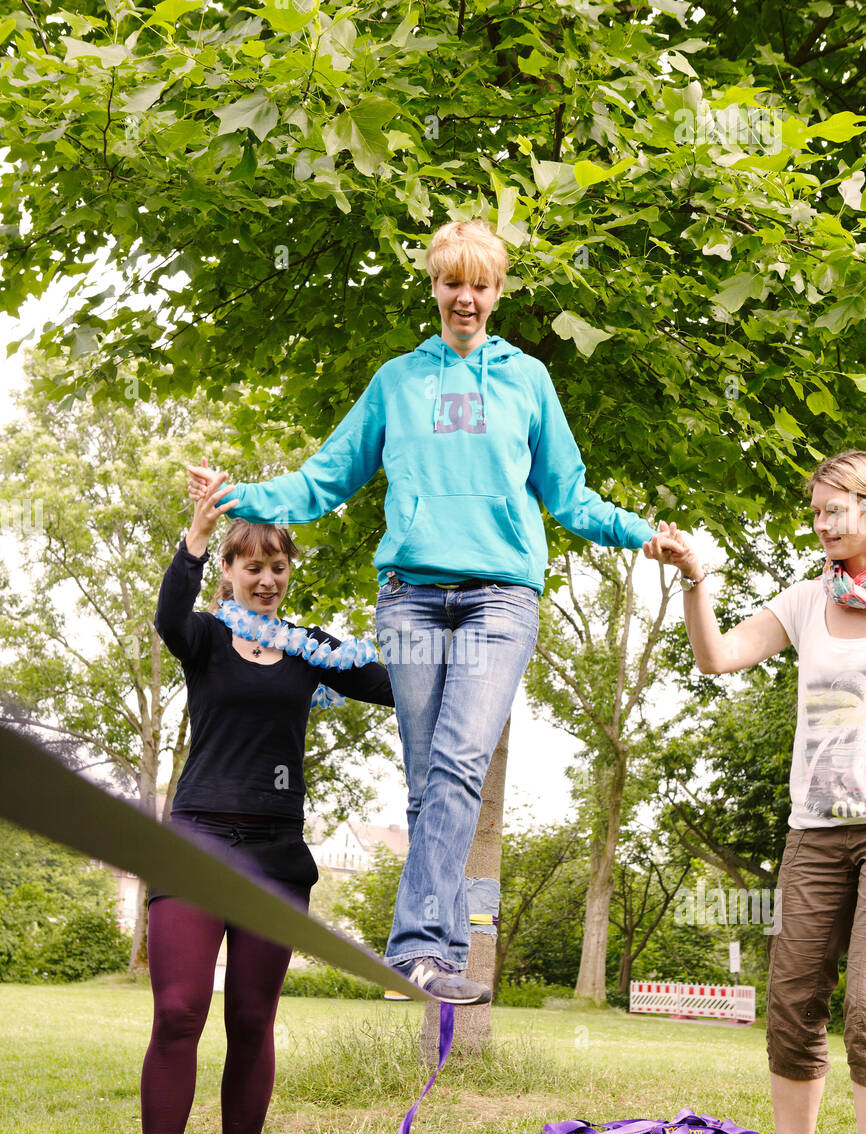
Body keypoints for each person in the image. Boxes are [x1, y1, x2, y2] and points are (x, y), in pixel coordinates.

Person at [188, 219, 678, 1005]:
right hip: (411, 597)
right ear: (435, 287)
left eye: (480, 285)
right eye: (453, 283)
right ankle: (440, 955)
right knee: (426, 781)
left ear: (498, 291)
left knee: (456, 762)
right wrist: (236, 496)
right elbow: (323, 480)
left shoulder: (527, 381)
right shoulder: (397, 381)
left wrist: (640, 533)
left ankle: (414, 945)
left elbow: (569, 496)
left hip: (499, 599)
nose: (466, 298)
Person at [118, 473, 394, 1134]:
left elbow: (392, 684)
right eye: (253, 566)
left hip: (276, 853)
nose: (267, 580)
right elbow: (169, 613)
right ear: (233, 573)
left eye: (278, 567)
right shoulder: (204, 637)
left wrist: (430, 613)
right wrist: (196, 541)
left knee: (250, 1017)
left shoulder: (309, 651)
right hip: (199, 840)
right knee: (178, 1013)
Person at [645, 449, 866, 1134]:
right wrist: (694, 580)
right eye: (815, 511)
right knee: (791, 997)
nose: (821, 522)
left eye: (834, 508)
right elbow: (717, 658)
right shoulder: (808, 601)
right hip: (815, 828)